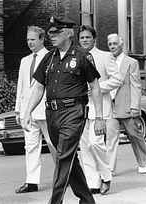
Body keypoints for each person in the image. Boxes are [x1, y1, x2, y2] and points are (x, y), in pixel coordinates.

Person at [22, 15, 106, 204]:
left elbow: (95, 87)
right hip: (51, 113)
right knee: (67, 158)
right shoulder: (48, 58)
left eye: (55, 32)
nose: (51, 36)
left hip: (73, 112)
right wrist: (27, 112)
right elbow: (39, 87)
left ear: (68, 34)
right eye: (50, 32)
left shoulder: (83, 56)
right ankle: (87, 200)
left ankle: (55, 201)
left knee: (62, 157)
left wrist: (99, 118)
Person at [78, 25, 123, 195]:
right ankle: (93, 183)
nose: (85, 40)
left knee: (95, 143)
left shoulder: (105, 57)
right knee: (84, 146)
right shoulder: (75, 57)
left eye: (88, 37)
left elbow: (118, 79)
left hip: (100, 108)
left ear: (94, 39)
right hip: (80, 108)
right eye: (82, 38)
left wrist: (99, 87)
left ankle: (106, 175)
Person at [14, 25, 56, 194]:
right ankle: (31, 182)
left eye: (32, 39)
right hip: (28, 112)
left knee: (54, 144)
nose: (29, 43)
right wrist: (19, 110)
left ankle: (66, 175)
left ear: (41, 39)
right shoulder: (25, 61)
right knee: (30, 146)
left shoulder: (51, 57)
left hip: (47, 110)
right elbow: (21, 86)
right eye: (28, 40)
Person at [106, 33, 146, 175]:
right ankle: (110, 168)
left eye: (115, 44)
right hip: (110, 105)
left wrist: (134, 107)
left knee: (134, 134)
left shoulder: (131, 62)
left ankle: (143, 161)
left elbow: (136, 86)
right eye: (110, 44)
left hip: (126, 105)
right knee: (111, 137)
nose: (112, 47)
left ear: (121, 45)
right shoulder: (107, 61)